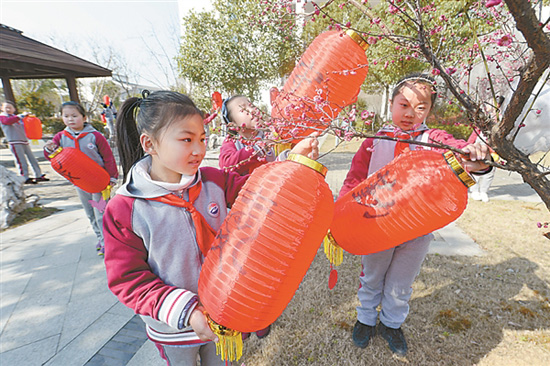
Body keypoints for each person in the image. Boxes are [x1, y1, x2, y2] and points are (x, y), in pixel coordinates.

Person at [102, 90, 318, 366]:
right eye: (186, 139)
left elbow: (259, 189)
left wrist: (291, 161)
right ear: (149, 143)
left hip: (225, 313)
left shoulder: (213, 181)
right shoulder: (125, 209)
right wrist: (187, 311)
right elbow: (128, 279)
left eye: (202, 139)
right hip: (174, 329)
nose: (199, 149)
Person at [340, 73, 491, 357]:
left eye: (420, 107)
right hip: (377, 226)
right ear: (391, 104)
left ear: (430, 111)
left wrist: (476, 156)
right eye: (404, 104)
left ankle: (391, 323)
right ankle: (365, 319)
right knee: (372, 274)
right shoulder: (373, 141)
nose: (410, 113)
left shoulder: (433, 140)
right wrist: (342, 212)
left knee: (401, 280)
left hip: (417, 227)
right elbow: (354, 178)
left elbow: (462, 152)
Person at [44, 101, 118, 256]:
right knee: (90, 213)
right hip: (79, 183)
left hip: (99, 183)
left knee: (101, 213)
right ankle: (100, 238)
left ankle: (109, 242)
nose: (70, 119)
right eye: (66, 116)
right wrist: (49, 149)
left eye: (74, 115)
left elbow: (108, 157)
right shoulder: (61, 137)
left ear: (84, 117)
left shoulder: (95, 136)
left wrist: (112, 177)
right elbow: (51, 156)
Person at [219, 95, 279, 176]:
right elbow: (226, 167)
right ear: (233, 125)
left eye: (252, 106)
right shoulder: (232, 142)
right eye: (243, 109)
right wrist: (258, 149)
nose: (252, 110)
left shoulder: (270, 134)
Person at [0, 101, 49, 184]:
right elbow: (8, 121)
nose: (8, 109)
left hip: (24, 141)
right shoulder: (3, 117)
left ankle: (38, 175)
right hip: (14, 142)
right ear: (2, 109)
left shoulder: (17, 118)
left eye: (10, 107)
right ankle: (24, 177)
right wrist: (21, 116)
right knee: (21, 161)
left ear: (14, 109)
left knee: (33, 159)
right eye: (6, 107)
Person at [467, 96, 504, 203]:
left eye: (490, 103)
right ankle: (474, 190)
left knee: (490, 171)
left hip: (493, 147)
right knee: (475, 168)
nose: (487, 106)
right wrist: (469, 143)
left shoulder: (501, 118)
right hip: (479, 143)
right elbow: (475, 131)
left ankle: (484, 191)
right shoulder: (483, 116)